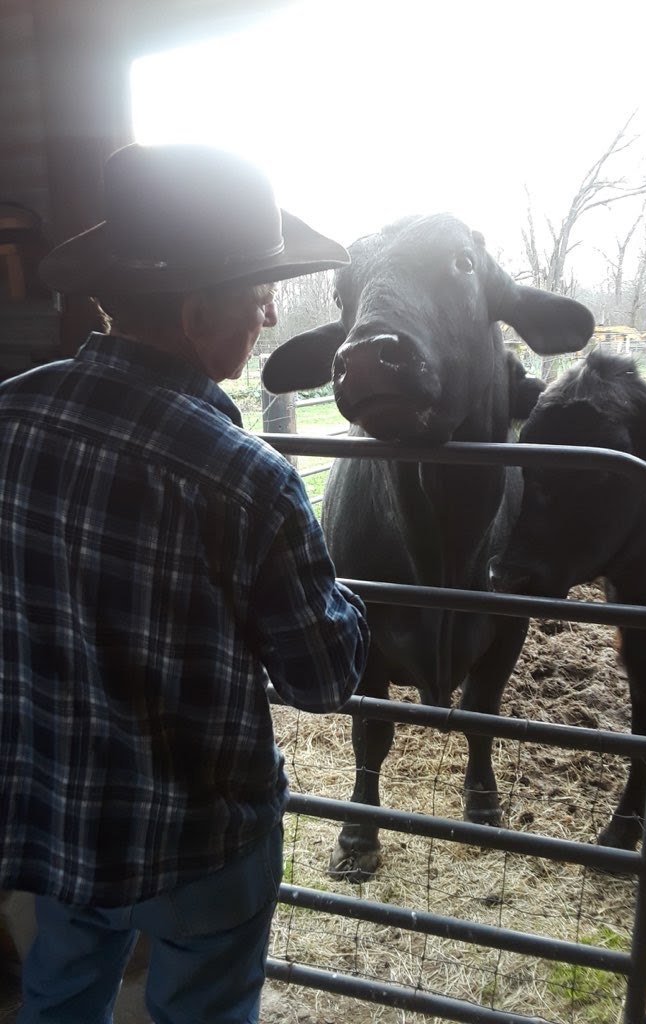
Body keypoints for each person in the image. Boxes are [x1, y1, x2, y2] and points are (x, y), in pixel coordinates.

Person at [0, 143, 370, 1024]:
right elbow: (323, 678)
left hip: (56, 809)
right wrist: (346, 596)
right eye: (257, 295)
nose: (272, 312)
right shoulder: (245, 475)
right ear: (199, 310)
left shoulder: (9, 415)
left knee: (60, 988)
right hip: (197, 837)